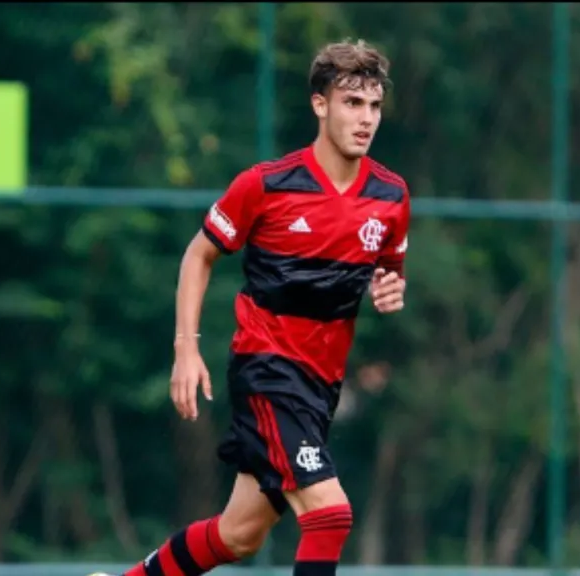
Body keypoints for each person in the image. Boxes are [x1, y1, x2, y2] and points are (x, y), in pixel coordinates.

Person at [91, 38, 410, 576]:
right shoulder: (266, 185)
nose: (366, 119)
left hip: (320, 387)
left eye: (374, 106)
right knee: (329, 515)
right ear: (320, 104)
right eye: (352, 103)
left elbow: (388, 273)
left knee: (239, 535)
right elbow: (199, 255)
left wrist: (390, 289)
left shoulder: (391, 196)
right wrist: (185, 351)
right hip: (267, 369)